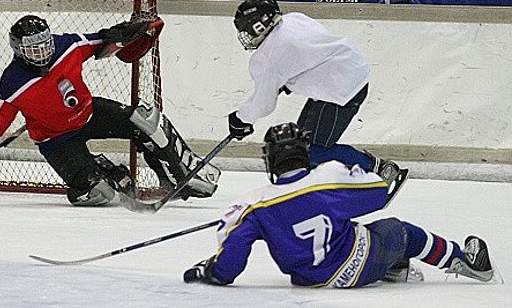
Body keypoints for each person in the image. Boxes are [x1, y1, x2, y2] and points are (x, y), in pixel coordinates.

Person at [183, 122, 496, 287]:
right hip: (359, 263)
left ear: (271, 160)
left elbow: (232, 262)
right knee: (401, 232)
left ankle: (395, 268)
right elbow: (378, 193)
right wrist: (359, 171)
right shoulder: (328, 176)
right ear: (304, 152)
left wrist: (212, 270)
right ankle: (467, 262)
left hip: (308, 279)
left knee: (360, 231)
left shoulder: (253, 204)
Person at [0, 14, 220, 206]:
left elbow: (99, 43)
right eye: (34, 50)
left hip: (89, 113)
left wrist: (122, 35)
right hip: (56, 140)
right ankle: (106, 171)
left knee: (146, 120)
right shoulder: (13, 81)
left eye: (45, 44)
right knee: (98, 192)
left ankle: (180, 173)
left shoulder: (66, 46)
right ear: (19, 51)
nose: (43, 53)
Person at [227, 0, 402, 184]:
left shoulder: (267, 58)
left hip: (339, 91)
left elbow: (264, 103)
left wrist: (241, 119)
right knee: (300, 146)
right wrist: (290, 77)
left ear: (258, 25)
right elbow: (312, 51)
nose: (248, 36)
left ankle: (379, 169)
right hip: (347, 72)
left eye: (248, 30)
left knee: (312, 152)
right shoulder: (294, 19)